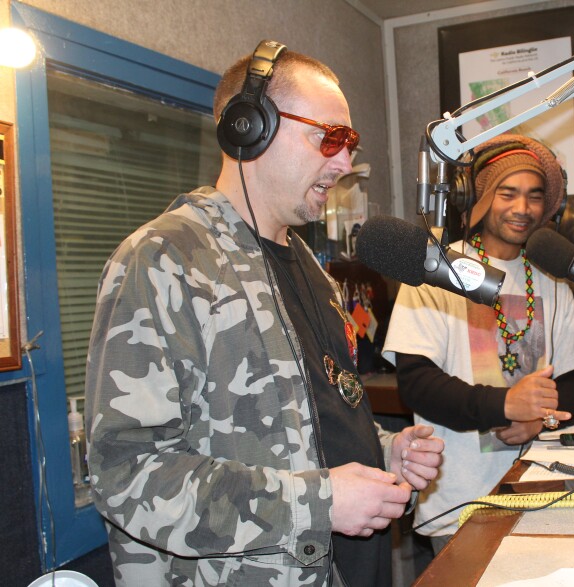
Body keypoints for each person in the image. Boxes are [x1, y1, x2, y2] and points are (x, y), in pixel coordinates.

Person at [85, 41, 443, 587]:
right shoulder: (164, 259)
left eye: (350, 144)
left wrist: (385, 451)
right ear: (250, 127)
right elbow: (127, 476)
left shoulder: (312, 270)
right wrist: (318, 502)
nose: (345, 163)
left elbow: (308, 420)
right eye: (331, 138)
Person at [382, 134, 574, 552]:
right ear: (479, 198)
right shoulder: (435, 270)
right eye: (508, 193)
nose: (523, 209)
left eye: (534, 197)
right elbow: (417, 382)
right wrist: (505, 405)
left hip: (540, 493)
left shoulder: (552, 282)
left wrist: (541, 419)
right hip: (458, 506)